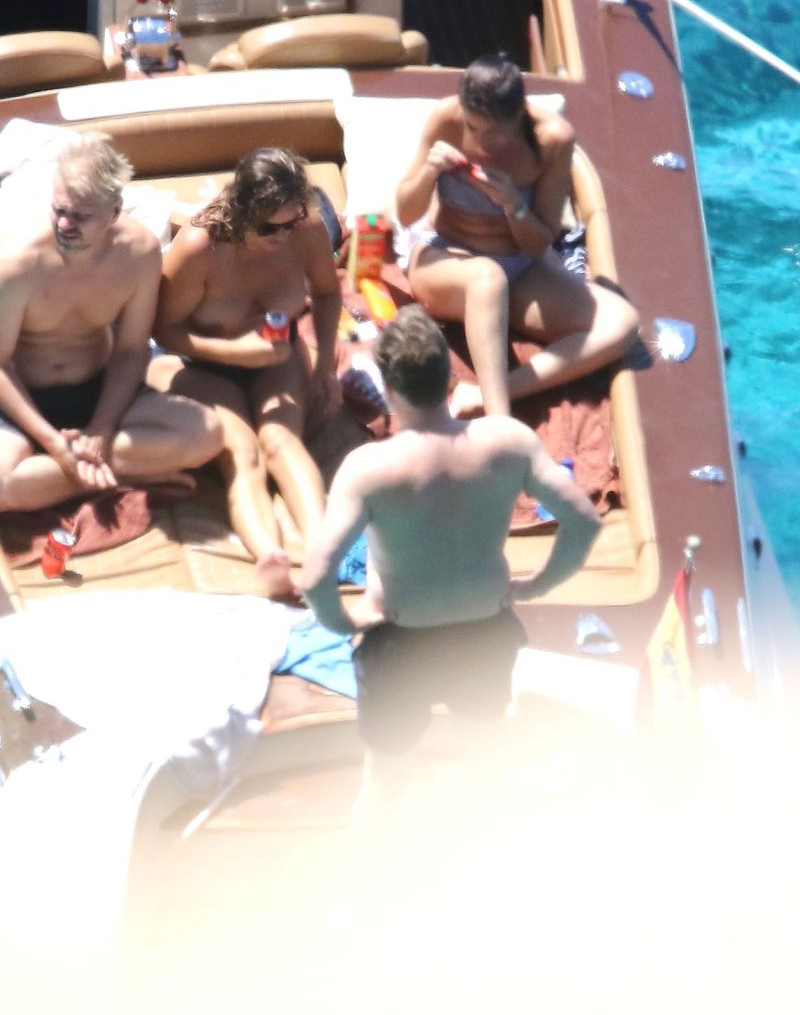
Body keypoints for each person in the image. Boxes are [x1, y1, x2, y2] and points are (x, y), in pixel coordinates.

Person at [257, 307, 601, 804]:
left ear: (388, 390)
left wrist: (345, 621)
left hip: (401, 641)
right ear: (449, 379)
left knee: (385, 780)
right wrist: (537, 585)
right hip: (483, 631)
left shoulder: (369, 468)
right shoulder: (508, 441)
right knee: (486, 762)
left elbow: (314, 577)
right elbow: (584, 522)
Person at [0, 133, 223, 512]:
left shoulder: (139, 253)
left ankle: (62, 476)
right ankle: (126, 471)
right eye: (59, 210)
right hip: (20, 396)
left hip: (98, 390)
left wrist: (101, 430)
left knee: (206, 435)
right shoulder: (15, 263)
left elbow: (132, 350)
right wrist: (55, 445)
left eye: (80, 216)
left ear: (114, 212)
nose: (65, 224)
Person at [396, 54, 641, 418]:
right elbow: (405, 213)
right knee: (487, 277)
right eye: (471, 126)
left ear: (516, 118)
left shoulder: (552, 139)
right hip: (444, 256)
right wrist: (430, 171)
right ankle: (501, 420)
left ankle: (485, 396)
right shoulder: (446, 118)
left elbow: (539, 244)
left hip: (520, 265)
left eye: (490, 131)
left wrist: (513, 204)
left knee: (621, 323)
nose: (478, 140)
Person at [150, 147, 344, 562]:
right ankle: (270, 557)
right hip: (203, 366)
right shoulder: (200, 246)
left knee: (281, 442)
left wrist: (326, 366)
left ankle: (323, 554)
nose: (284, 236)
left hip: (278, 356)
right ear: (242, 214)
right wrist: (235, 352)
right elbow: (163, 330)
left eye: (291, 222)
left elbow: (328, 293)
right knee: (244, 454)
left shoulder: (306, 227)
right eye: (270, 228)